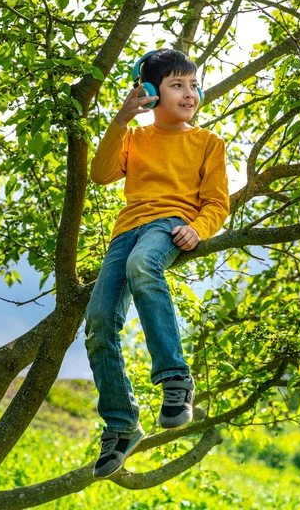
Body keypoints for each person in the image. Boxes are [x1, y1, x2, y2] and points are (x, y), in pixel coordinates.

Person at [84, 48, 230, 479]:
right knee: (96, 323)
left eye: (192, 84)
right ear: (150, 93)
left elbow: (218, 202)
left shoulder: (208, 143)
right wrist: (119, 121)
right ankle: (121, 423)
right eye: (176, 85)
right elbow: (101, 174)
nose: (189, 93)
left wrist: (199, 228)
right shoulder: (134, 139)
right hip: (125, 231)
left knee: (145, 265)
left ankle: (175, 379)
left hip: (168, 225)